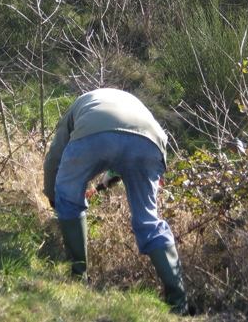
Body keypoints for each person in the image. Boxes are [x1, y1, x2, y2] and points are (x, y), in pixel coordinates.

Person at [43, 88, 189, 315]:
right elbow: (127, 143)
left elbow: (55, 157)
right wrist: (114, 173)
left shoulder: (80, 105)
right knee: (148, 220)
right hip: (150, 141)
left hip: (95, 134)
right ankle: (179, 303)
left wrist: (55, 199)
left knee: (68, 197)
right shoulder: (133, 102)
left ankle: (78, 278)